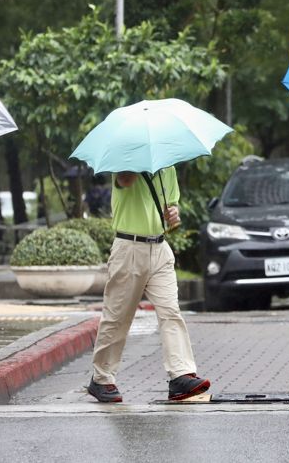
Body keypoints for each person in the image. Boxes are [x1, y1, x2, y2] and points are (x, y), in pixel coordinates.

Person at [87, 166, 210, 403]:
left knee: (170, 311)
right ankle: (101, 378)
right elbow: (124, 181)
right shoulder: (124, 162)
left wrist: (174, 214)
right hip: (129, 248)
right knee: (118, 316)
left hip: (160, 249)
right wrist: (136, 163)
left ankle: (180, 375)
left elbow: (170, 207)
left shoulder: (169, 168)